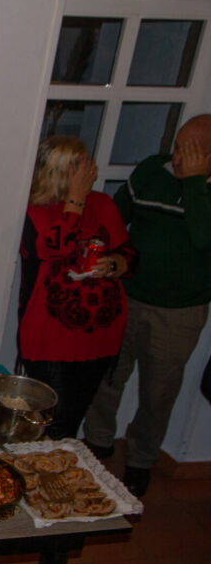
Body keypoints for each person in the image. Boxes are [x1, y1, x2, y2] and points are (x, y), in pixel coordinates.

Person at [83, 114, 211, 497]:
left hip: (178, 312)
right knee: (107, 375)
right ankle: (97, 441)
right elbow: (116, 217)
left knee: (158, 392)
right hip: (127, 294)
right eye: (176, 146)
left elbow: (203, 238)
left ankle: (140, 460)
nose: (177, 157)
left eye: (190, 152)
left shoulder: (199, 189)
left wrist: (193, 184)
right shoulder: (152, 171)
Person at [17, 136, 135, 441]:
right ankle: (46, 480)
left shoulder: (104, 205)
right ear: (62, 170)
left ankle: (60, 480)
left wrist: (113, 265)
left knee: (73, 420)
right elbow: (54, 248)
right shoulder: (36, 211)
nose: (90, 169)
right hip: (51, 341)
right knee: (55, 423)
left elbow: (130, 257)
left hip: (100, 336)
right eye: (80, 164)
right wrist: (76, 200)